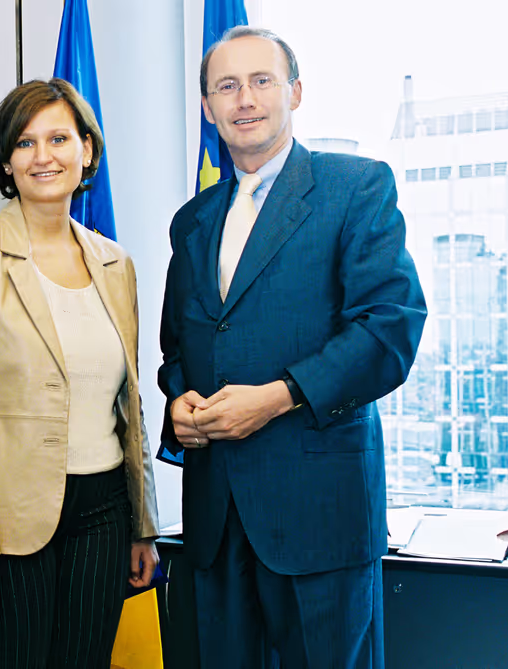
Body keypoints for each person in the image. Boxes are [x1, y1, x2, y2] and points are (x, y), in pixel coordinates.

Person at [157, 27, 426, 668]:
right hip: (216, 523)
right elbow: (176, 352)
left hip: (320, 518)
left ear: (295, 92)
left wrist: (278, 398)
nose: (243, 99)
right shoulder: (192, 220)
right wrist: (178, 407)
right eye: (226, 85)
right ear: (206, 106)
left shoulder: (355, 187)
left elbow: (389, 328)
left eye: (260, 81)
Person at [0, 78, 160, 669]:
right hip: (4, 526)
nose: (43, 156)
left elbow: (126, 408)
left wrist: (142, 525)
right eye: (25, 144)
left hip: (103, 515)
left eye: (58, 138)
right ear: (6, 161)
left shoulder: (115, 263)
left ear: (87, 150)